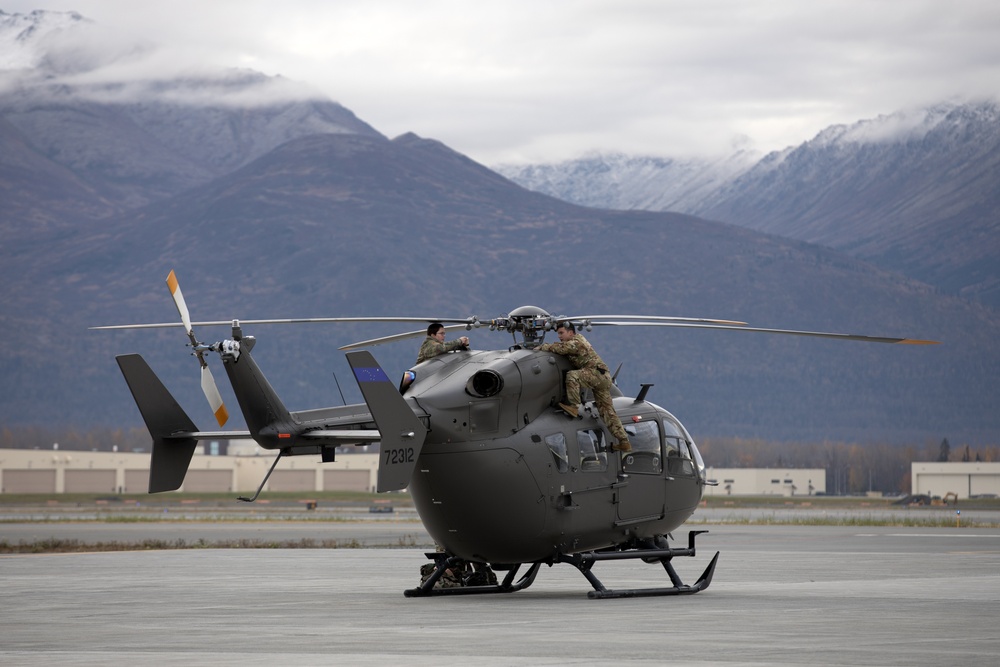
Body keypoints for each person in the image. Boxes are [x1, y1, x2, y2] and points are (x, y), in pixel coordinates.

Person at [537, 321, 632, 452]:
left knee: (572, 376)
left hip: (596, 374)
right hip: (603, 377)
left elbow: (561, 348)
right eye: (558, 333)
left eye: (561, 333)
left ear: (570, 332)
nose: (559, 336)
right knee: (607, 411)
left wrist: (542, 347)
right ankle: (624, 441)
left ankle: (574, 407)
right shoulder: (577, 342)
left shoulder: (577, 342)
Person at [401, 322, 470, 392]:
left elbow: (450, 349)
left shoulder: (440, 346)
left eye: (444, 333)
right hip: (422, 381)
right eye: (441, 333)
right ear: (433, 335)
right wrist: (459, 341)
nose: (444, 336)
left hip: (433, 380)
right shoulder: (429, 345)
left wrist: (464, 346)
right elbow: (441, 348)